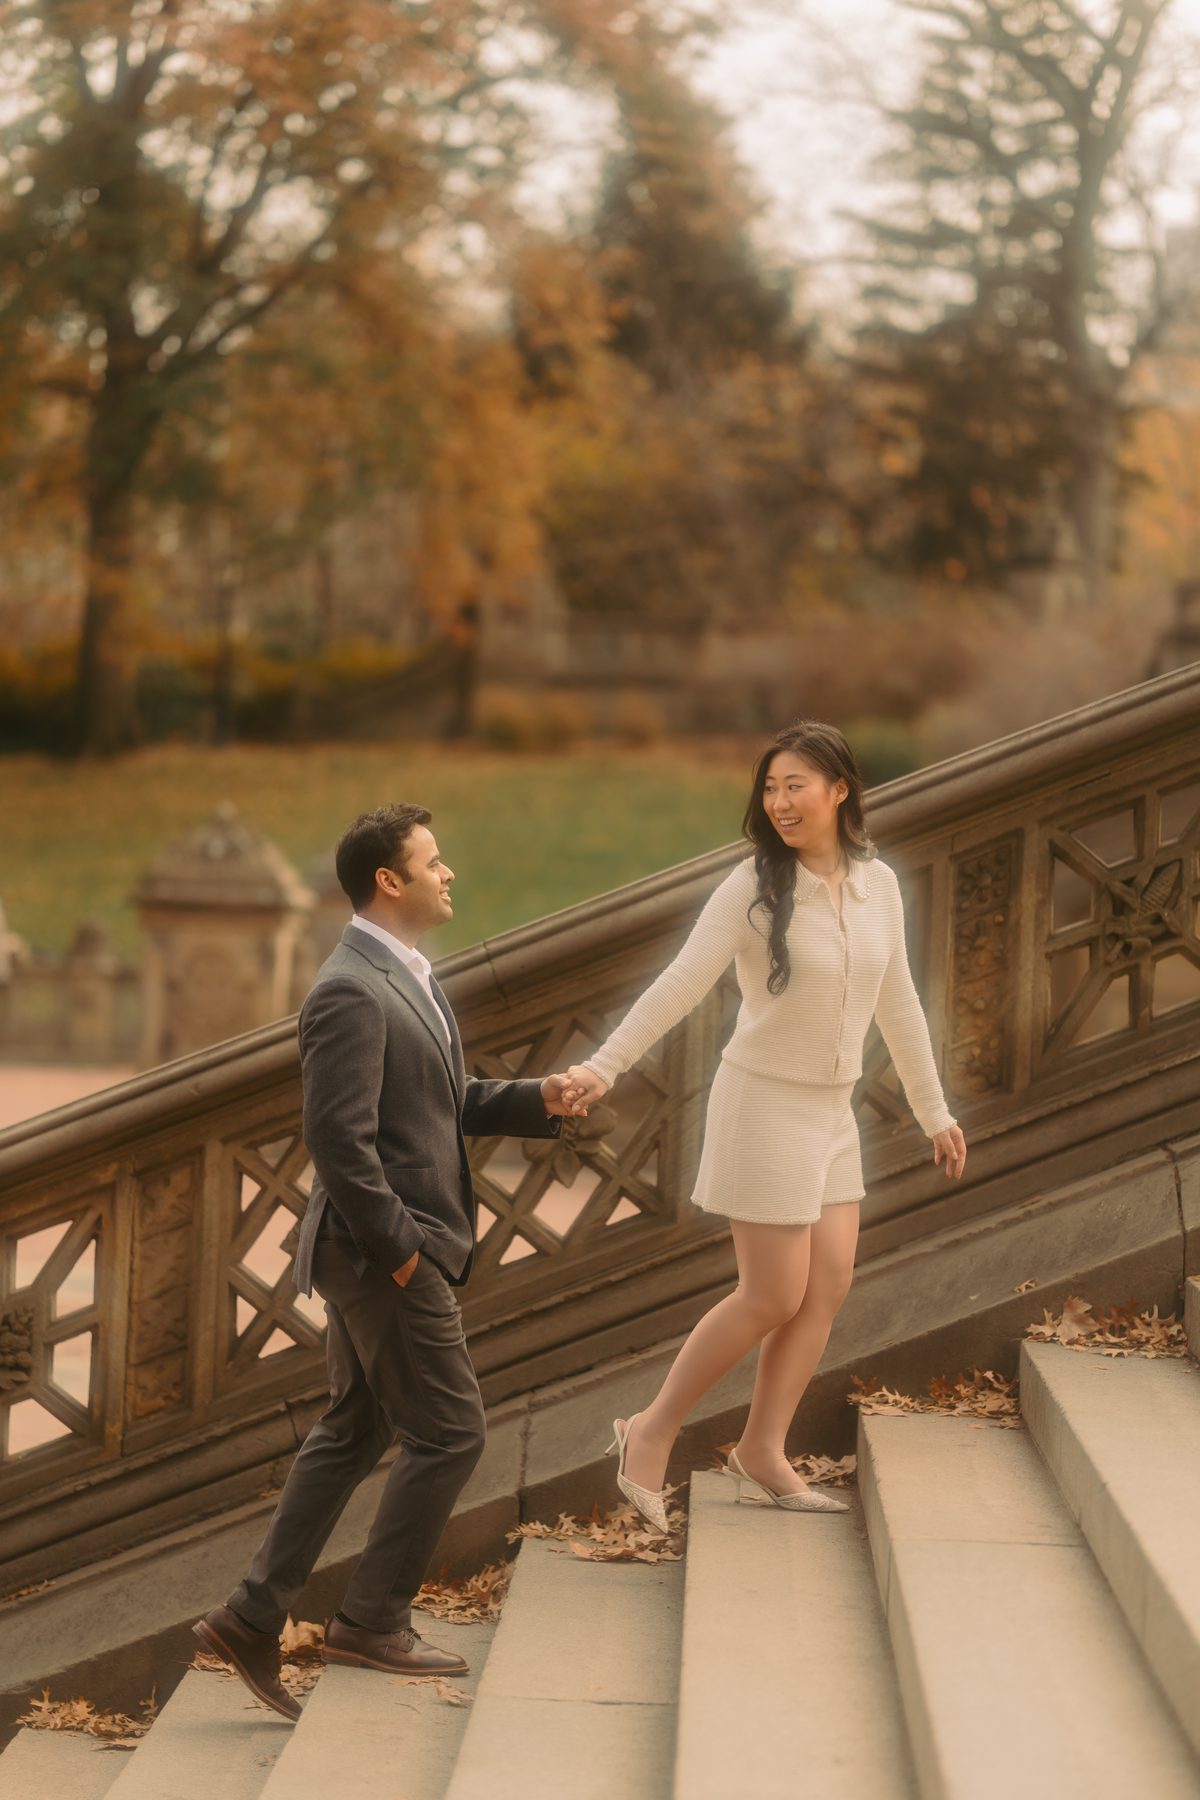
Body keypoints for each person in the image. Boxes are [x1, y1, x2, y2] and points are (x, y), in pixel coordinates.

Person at [194, 804, 575, 1719]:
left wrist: (540, 1099)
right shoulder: (348, 990)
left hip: (377, 1252)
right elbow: (340, 1144)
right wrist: (405, 1255)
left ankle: (251, 1617)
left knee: (354, 1429)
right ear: (388, 882)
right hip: (379, 1255)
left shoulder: (405, 972)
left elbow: (440, 1104)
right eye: (434, 863)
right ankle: (371, 1621)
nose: (451, 876)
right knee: (452, 1431)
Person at [563, 720, 967, 1533]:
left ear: (840, 790)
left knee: (826, 1287)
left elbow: (900, 1004)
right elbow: (679, 984)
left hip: (832, 1110)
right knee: (772, 1293)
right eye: (771, 787)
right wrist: (601, 1068)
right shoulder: (751, 887)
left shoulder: (877, 884)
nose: (780, 802)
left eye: (796, 786)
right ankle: (650, 1430)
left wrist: (935, 1111)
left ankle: (762, 1449)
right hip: (763, 1105)